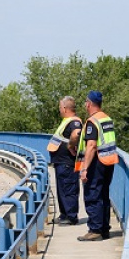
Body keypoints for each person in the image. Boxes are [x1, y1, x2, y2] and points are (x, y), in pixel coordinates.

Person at [77, 90, 118, 242]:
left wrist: (84, 168)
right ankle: (104, 228)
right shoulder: (107, 118)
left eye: (85, 102)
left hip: (97, 162)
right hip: (110, 161)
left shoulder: (92, 122)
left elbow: (92, 146)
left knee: (92, 194)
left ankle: (95, 230)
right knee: (103, 195)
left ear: (89, 103)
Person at [46, 96, 83, 226]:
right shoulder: (66, 121)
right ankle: (64, 214)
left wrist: (70, 146)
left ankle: (72, 216)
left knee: (69, 189)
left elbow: (76, 133)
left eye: (60, 108)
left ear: (65, 108)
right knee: (62, 189)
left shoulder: (74, 121)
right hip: (61, 162)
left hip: (67, 162)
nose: (59, 110)